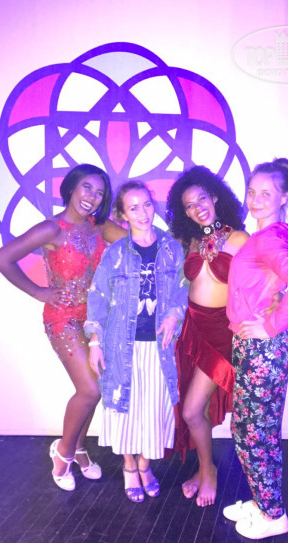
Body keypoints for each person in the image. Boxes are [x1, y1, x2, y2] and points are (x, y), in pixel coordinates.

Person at [0, 164, 126, 491]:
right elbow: (2, 258)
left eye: (99, 193)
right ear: (71, 188)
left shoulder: (99, 226)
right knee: (90, 389)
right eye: (87, 187)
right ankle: (63, 452)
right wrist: (38, 291)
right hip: (63, 318)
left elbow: (138, 242)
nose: (92, 197)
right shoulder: (51, 229)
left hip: (94, 319)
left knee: (95, 388)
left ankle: (79, 448)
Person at [223, 158, 288, 539]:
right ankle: (265, 502)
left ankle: (274, 516)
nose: (256, 199)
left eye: (266, 193)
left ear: (285, 197)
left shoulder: (270, 239)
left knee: (251, 434)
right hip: (258, 349)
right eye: (252, 192)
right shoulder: (268, 235)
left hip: (262, 350)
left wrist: (270, 325)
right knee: (258, 431)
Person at [84, 181, 188, 503]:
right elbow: (98, 297)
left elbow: (183, 287)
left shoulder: (172, 248)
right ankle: (129, 466)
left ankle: (145, 465)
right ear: (122, 215)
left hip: (159, 347)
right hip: (120, 345)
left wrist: (174, 313)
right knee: (125, 409)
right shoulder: (115, 253)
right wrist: (95, 342)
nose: (142, 213)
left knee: (154, 410)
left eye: (146, 204)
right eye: (133, 208)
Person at [166, 166, 249, 507]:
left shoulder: (240, 239)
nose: (197, 207)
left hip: (222, 334)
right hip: (192, 330)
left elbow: (262, 284)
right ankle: (203, 469)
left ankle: (208, 471)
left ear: (215, 197)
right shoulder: (190, 242)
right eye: (189, 205)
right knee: (191, 409)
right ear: (184, 212)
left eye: (202, 198)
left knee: (191, 411)